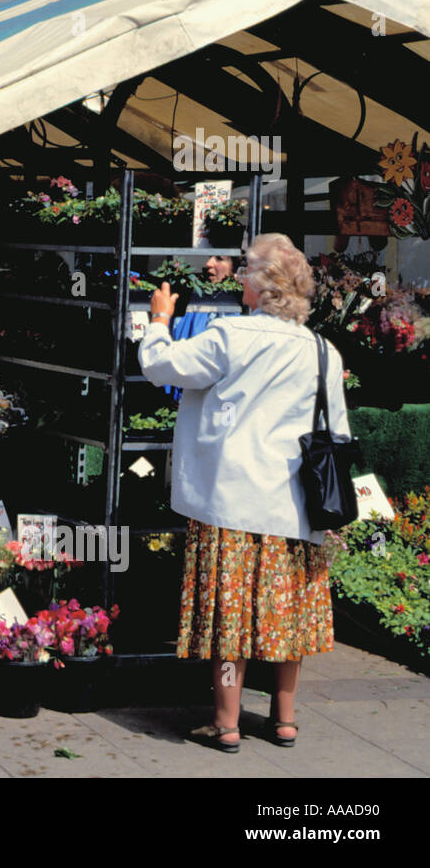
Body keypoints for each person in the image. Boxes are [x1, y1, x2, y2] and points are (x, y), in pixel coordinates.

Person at [139, 233, 349, 754]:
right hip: (296, 506)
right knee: (287, 615)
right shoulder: (322, 350)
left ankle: (227, 722)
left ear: (259, 286)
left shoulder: (231, 336)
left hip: (231, 500)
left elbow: (163, 367)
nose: (237, 278)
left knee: (228, 617)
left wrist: (159, 320)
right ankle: (284, 719)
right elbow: (337, 431)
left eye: (245, 270)